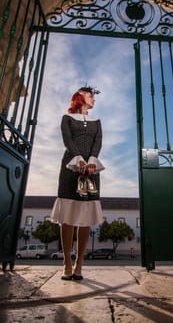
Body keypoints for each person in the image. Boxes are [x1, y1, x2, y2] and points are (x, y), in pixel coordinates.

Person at [50, 86, 104, 280]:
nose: (94, 99)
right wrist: (79, 158)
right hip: (70, 166)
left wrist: (90, 162)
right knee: (68, 217)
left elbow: (97, 144)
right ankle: (66, 262)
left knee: (86, 217)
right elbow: (67, 139)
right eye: (90, 96)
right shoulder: (67, 119)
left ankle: (79, 263)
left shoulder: (97, 121)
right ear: (80, 96)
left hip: (90, 169)